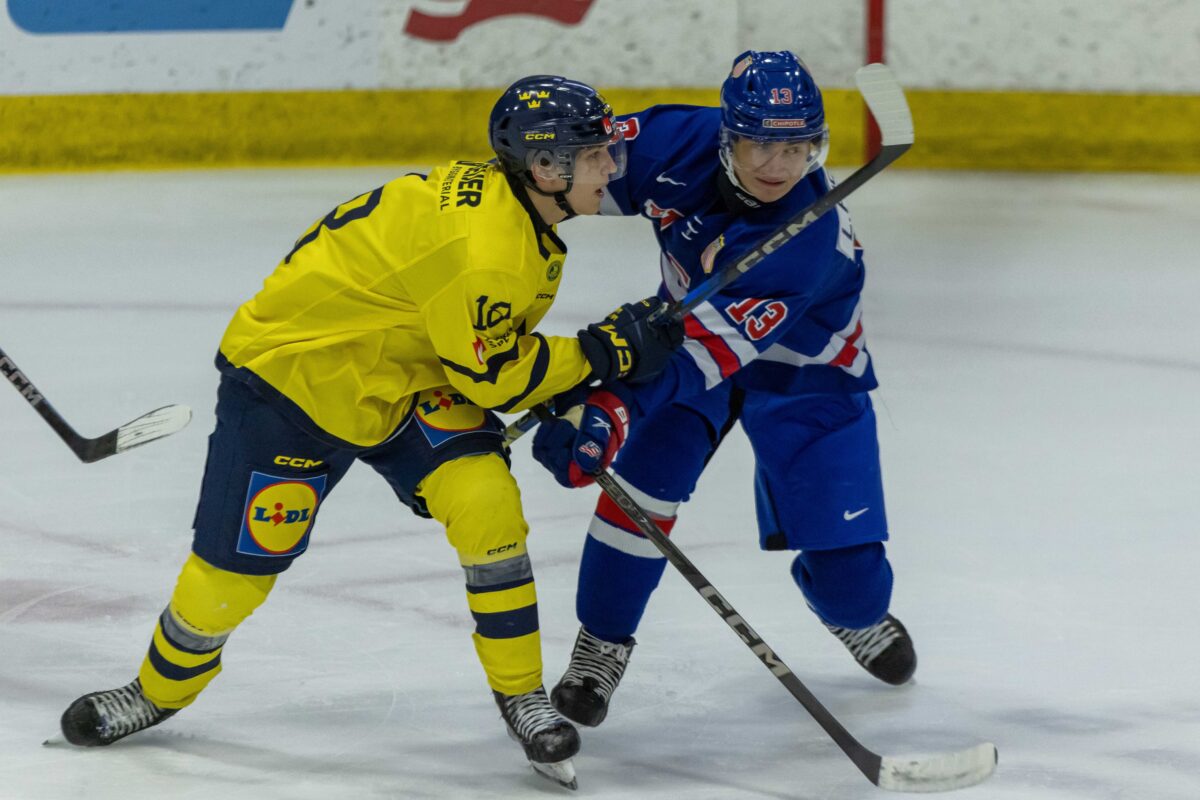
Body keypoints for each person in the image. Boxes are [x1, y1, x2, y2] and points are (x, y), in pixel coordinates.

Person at [58, 75, 683, 789]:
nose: (613, 168)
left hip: (409, 376)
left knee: (485, 503)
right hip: (294, 387)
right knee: (232, 579)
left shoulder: (516, 214)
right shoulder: (486, 247)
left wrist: (582, 367)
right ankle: (154, 693)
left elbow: (485, 353)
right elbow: (497, 378)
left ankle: (522, 696)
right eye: (598, 154)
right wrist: (606, 353)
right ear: (547, 169)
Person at [530, 51, 917, 729]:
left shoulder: (807, 239)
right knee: (642, 493)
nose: (777, 165)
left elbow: (706, 354)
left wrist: (610, 408)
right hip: (689, 337)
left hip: (807, 374)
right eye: (760, 143)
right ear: (725, 136)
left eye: (796, 147)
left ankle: (842, 605)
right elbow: (563, 181)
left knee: (856, 589)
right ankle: (601, 643)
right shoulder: (666, 142)